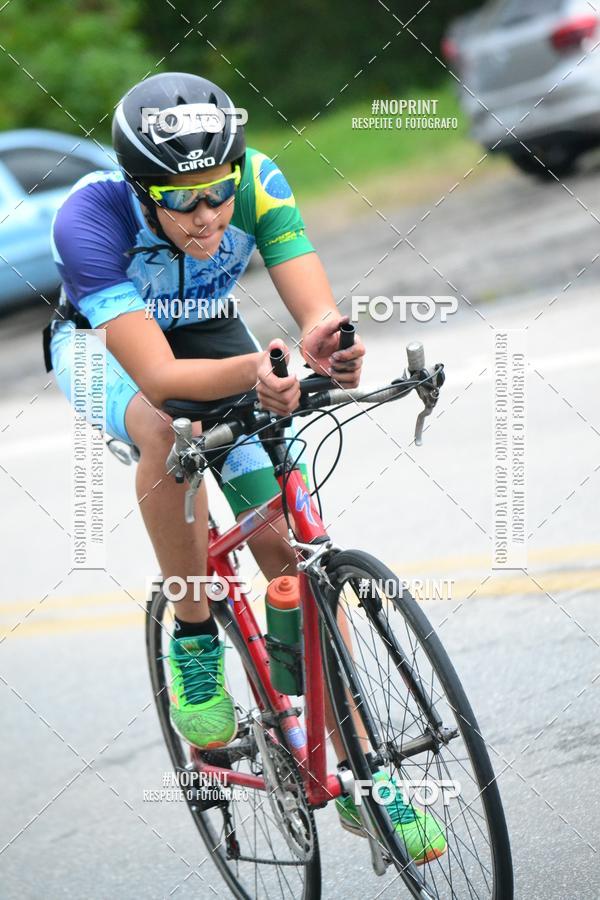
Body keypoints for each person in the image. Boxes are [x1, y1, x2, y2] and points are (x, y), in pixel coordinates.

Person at [45, 71, 446, 864]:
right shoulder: (89, 216)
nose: (206, 216)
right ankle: (195, 639)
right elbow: (160, 378)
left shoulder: (258, 179)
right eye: (181, 200)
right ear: (140, 185)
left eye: (217, 195)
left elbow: (315, 310)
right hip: (110, 348)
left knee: (294, 555)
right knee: (169, 430)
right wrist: (264, 374)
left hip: (213, 334)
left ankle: (368, 779)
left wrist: (328, 344)